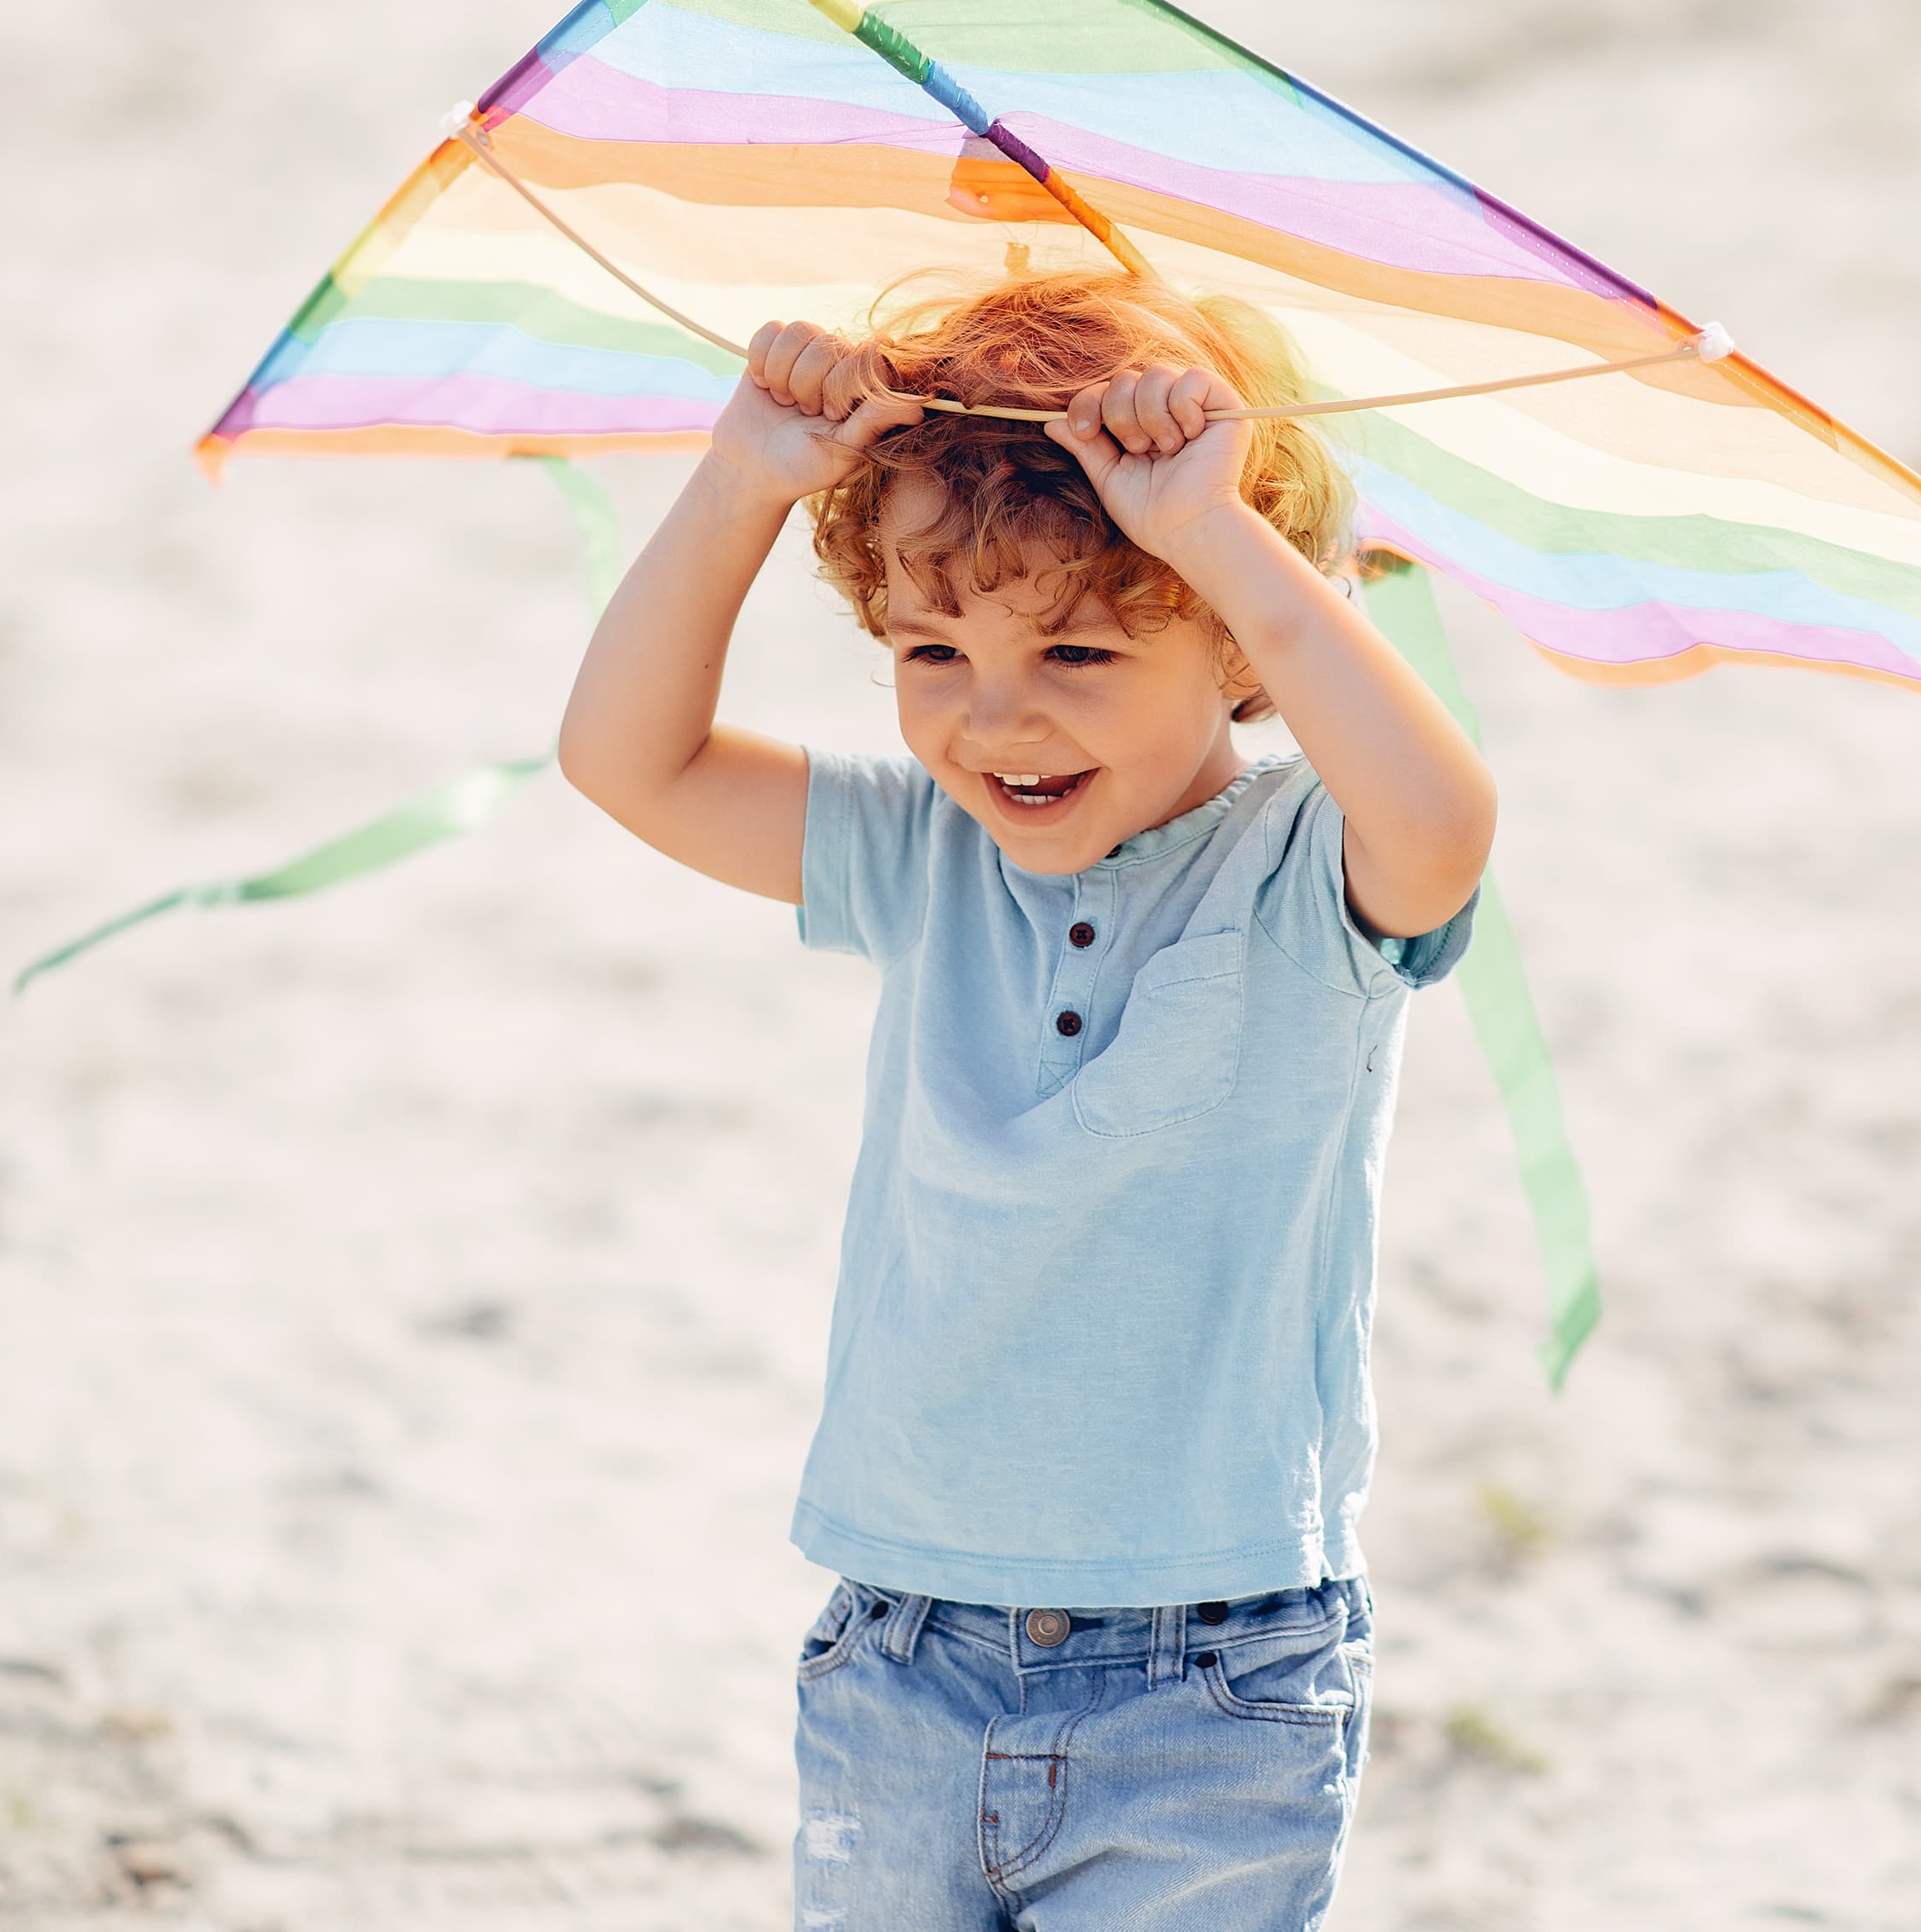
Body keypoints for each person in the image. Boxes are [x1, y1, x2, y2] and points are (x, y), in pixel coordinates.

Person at [558, 268, 1496, 1929]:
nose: (1000, 716)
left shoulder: (1300, 870)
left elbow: (1441, 817)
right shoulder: (925, 856)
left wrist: (1212, 525)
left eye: (1079, 643)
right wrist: (741, 482)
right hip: (906, 1653)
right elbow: (628, 758)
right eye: (933, 649)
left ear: (1225, 630)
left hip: (1209, 1684)